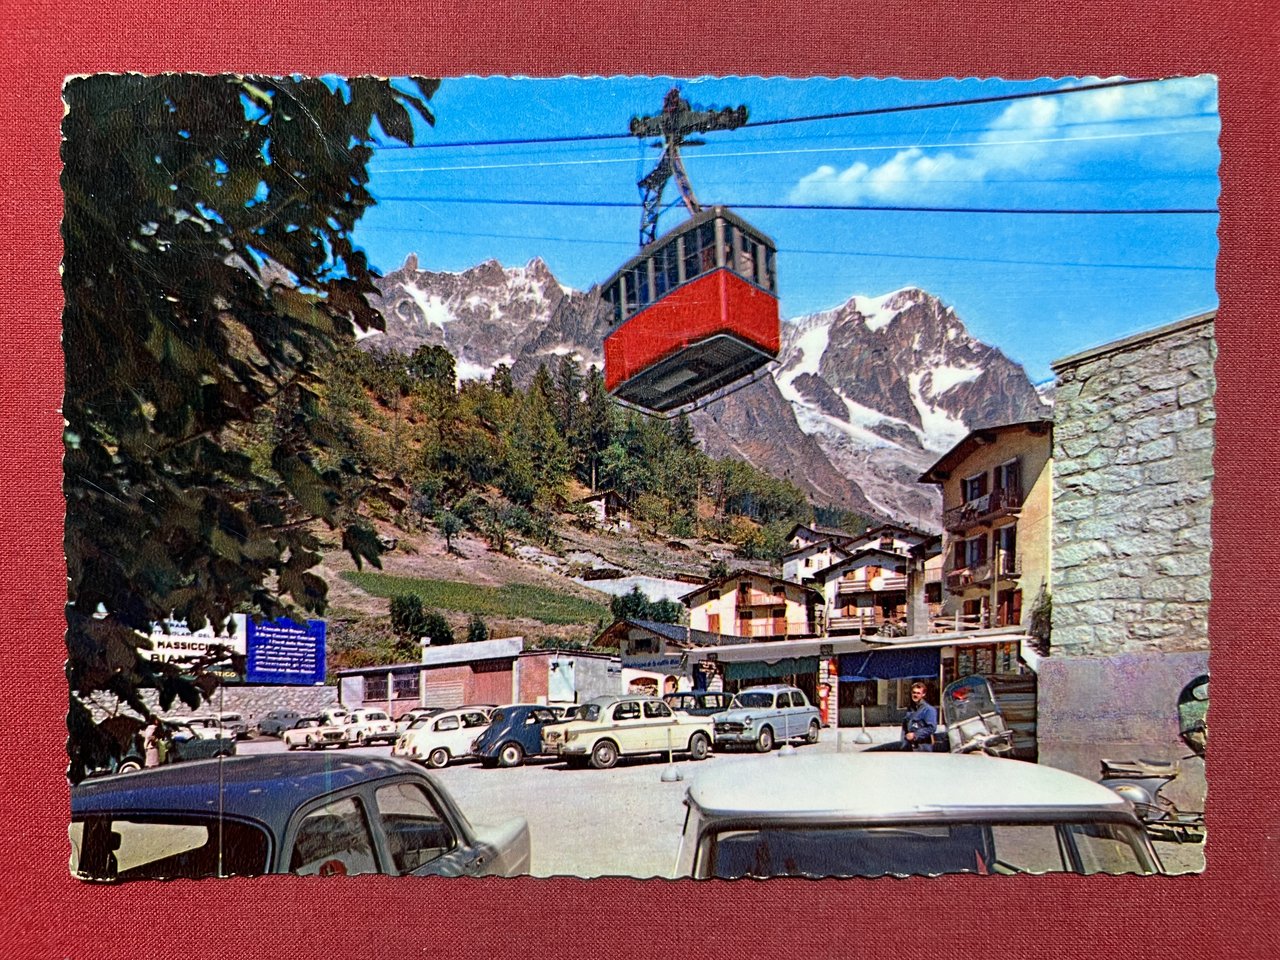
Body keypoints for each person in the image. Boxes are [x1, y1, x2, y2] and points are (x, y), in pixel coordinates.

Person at [900, 682, 937, 752]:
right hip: (910, 747)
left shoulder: (928, 709)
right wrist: (903, 744)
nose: (915, 695)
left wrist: (915, 735)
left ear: (923, 694)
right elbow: (905, 728)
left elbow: (931, 728)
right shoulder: (910, 709)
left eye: (918, 693)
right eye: (914, 693)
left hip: (923, 746)